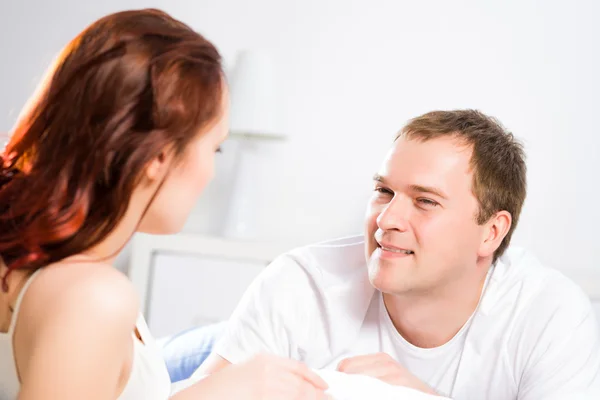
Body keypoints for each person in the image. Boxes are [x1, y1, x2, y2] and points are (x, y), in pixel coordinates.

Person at [0, 8, 331, 400]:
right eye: (216, 147)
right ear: (157, 158)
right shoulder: (93, 298)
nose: (210, 172)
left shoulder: (40, 252)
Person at [197, 109, 600, 399]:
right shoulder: (302, 283)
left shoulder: (552, 315)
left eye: (425, 201)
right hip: (226, 345)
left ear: (491, 233)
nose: (387, 219)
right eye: (383, 192)